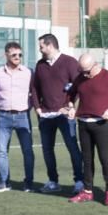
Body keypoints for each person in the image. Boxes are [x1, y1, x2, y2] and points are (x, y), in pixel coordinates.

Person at [65, 54, 108, 206]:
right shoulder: (80, 77)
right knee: (87, 159)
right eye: (81, 70)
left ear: (95, 65)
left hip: (102, 124)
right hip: (83, 123)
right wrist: (71, 107)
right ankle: (87, 191)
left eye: (86, 70)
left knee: (104, 158)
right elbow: (70, 94)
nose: (84, 74)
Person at [31, 33, 84, 195]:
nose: (39, 49)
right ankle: (53, 181)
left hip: (64, 116)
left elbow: (79, 86)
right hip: (45, 116)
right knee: (47, 150)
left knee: (73, 148)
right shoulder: (40, 65)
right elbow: (34, 88)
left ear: (50, 45)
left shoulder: (70, 62)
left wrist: (70, 105)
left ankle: (79, 182)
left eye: (41, 46)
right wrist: (38, 108)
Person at [0, 42, 35, 193]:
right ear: (6, 55)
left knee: (27, 151)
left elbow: (34, 95)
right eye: (14, 55)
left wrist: (26, 108)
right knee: (2, 151)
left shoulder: (29, 72)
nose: (17, 57)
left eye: (20, 55)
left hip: (23, 117)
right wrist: (3, 107)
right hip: (3, 117)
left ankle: (28, 183)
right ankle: (3, 182)